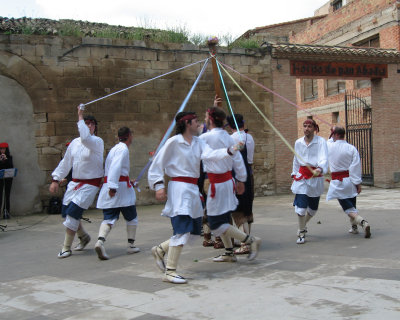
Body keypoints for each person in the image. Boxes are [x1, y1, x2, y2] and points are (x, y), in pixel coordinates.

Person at [148, 111, 243, 284]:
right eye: (195, 121)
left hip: (192, 189)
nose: (199, 124)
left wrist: (231, 150)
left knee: (192, 231)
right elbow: (157, 163)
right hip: (179, 189)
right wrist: (159, 186)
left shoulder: (199, 142)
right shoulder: (174, 142)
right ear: (186, 124)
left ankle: (160, 249)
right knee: (182, 228)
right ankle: (170, 271)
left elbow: (210, 155)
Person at [200, 105, 261, 263]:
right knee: (224, 218)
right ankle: (228, 252)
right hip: (228, 182)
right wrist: (241, 179)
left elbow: (197, 153)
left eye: (206, 117)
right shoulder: (229, 137)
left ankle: (250, 240)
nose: (204, 120)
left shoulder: (205, 138)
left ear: (211, 120)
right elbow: (238, 160)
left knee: (215, 222)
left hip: (217, 184)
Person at [49, 106, 104, 258]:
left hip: (90, 184)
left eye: (92, 124)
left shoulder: (97, 142)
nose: (90, 126)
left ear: (95, 127)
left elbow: (86, 138)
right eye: (87, 123)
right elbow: (66, 163)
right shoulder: (74, 143)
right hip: (75, 183)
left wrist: (80, 116)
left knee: (73, 213)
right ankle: (84, 236)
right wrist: (55, 179)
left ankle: (66, 247)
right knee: (67, 212)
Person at [95, 127, 140, 260]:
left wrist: (127, 180)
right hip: (120, 190)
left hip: (117, 185)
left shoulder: (115, 148)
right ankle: (131, 246)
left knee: (109, 218)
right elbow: (115, 167)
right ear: (129, 136)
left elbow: (117, 170)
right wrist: (113, 187)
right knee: (132, 217)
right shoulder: (123, 149)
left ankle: (100, 242)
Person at [326, 126, 371, 238]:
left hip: (338, 182)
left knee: (347, 208)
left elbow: (329, 140)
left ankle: (362, 222)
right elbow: (356, 167)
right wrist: (358, 183)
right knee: (352, 204)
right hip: (350, 180)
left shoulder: (329, 146)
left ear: (335, 134)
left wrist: (332, 131)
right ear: (343, 134)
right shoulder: (351, 148)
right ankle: (354, 228)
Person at [291, 119, 328, 244]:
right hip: (302, 178)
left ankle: (303, 224)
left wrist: (320, 168)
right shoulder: (298, 142)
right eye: (305, 126)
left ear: (314, 128)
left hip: (315, 178)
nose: (306, 128)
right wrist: (294, 174)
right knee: (300, 208)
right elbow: (296, 160)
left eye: (309, 126)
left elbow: (324, 157)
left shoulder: (321, 142)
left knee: (313, 209)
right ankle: (302, 233)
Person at [226, 114, 255, 255]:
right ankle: (244, 238)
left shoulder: (232, 138)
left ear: (230, 126)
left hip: (238, 175)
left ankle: (245, 243)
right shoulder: (249, 137)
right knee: (247, 206)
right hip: (249, 174)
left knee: (239, 209)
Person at [0, 142, 13, 219]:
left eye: (4, 149)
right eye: (1, 149)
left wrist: (6, 160)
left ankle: (6, 212)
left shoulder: (9, 157)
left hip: (8, 179)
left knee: (7, 195)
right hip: (0, 179)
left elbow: (11, 166)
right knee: (0, 196)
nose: (2, 151)